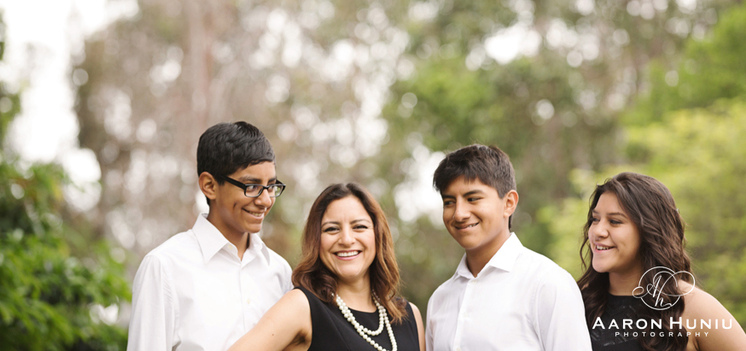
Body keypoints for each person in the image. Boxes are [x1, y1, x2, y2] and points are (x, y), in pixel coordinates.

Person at [126, 121, 292, 351]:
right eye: (251, 186)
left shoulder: (281, 272)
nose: (265, 200)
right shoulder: (164, 268)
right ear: (209, 185)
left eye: (271, 186)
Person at [426, 144, 591, 351]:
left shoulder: (548, 284)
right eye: (449, 202)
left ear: (509, 203)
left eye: (472, 199)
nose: (459, 213)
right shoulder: (440, 300)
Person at [227, 182, 425, 351]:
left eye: (359, 227)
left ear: (377, 235)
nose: (346, 240)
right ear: (316, 240)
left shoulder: (410, 316)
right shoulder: (301, 306)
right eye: (332, 229)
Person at [579, 171, 746, 351]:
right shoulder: (576, 302)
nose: (597, 231)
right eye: (595, 219)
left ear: (649, 231)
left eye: (615, 221)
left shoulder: (694, 307)